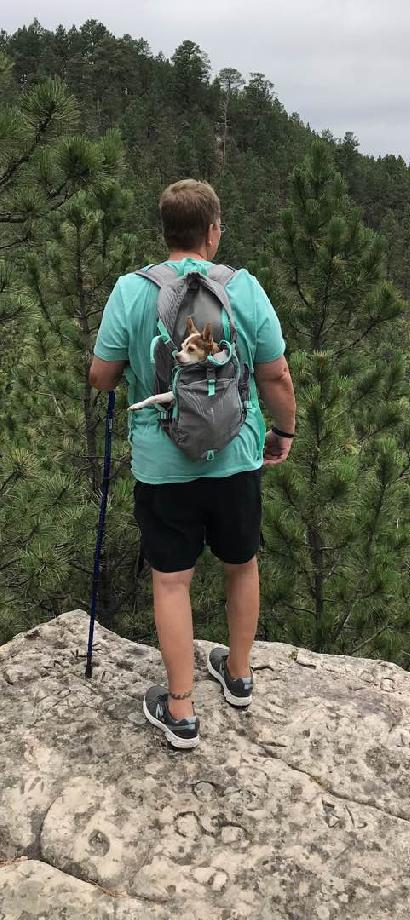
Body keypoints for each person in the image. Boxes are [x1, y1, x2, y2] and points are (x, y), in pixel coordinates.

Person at [89, 179, 296, 749]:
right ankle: (239, 676)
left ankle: (180, 711)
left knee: (173, 581)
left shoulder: (132, 291)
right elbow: (275, 374)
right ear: (212, 231)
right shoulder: (245, 288)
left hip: (164, 466)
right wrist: (283, 431)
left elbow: (102, 376)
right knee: (241, 563)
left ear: (165, 232)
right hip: (236, 456)